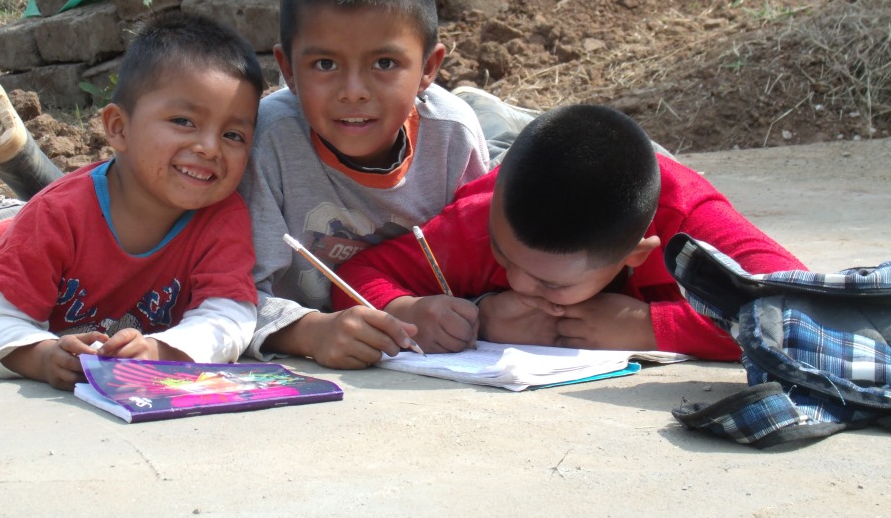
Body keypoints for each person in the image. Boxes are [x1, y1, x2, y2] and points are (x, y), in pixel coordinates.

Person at [0, 14, 264, 390]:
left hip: (27, 224)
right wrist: (40, 356)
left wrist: (162, 350)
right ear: (118, 128)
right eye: (184, 121)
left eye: (233, 134)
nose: (210, 147)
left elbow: (230, 313)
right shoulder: (57, 214)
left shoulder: (223, 216)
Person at [335, 104, 808, 360]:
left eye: (551, 284)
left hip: (646, 171)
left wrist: (649, 327)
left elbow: (807, 314)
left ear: (635, 256)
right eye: (504, 260)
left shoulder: (687, 223)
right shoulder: (487, 219)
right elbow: (359, 270)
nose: (520, 286)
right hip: (516, 151)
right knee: (490, 119)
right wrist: (411, 308)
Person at [238, 0, 491, 369]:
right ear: (288, 70)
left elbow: (485, 261)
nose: (353, 93)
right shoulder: (267, 143)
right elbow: (231, 293)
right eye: (325, 65)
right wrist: (309, 333)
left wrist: (467, 312)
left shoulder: (454, 137)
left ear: (429, 68)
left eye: (385, 64)